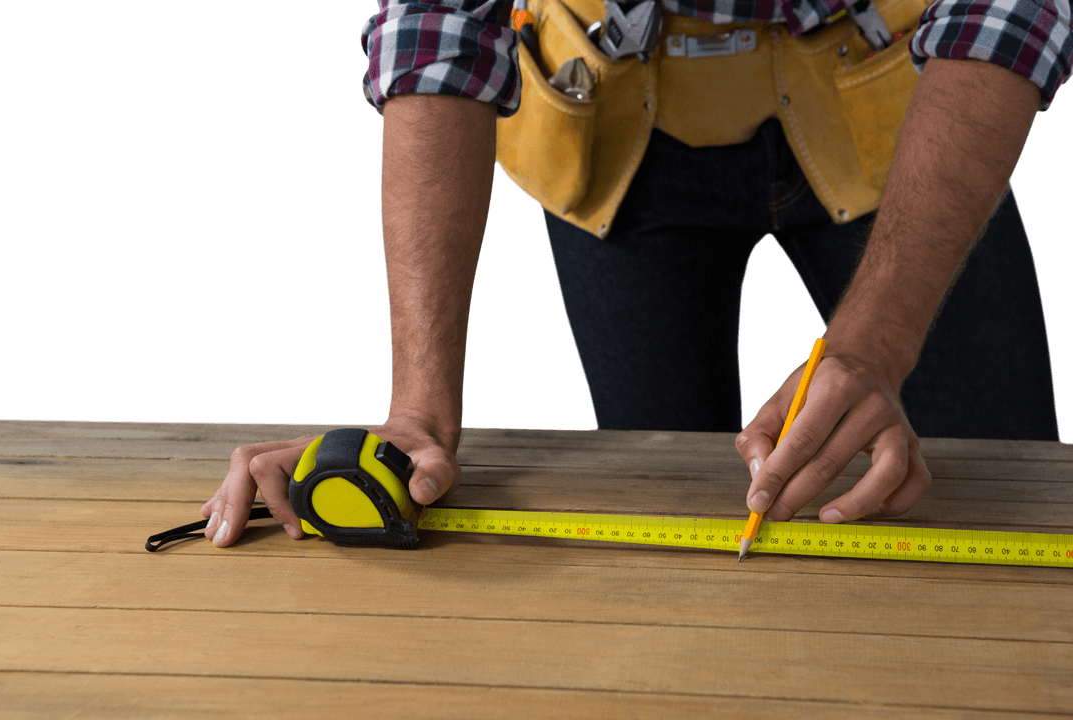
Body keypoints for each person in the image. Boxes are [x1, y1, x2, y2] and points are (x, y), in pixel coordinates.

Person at [199, 0, 1070, 548]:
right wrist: (417, 416)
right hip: (613, 114)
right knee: (667, 510)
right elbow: (439, 27)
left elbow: (1005, 9)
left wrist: (877, 343)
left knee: (1008, 488)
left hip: (891, 104)